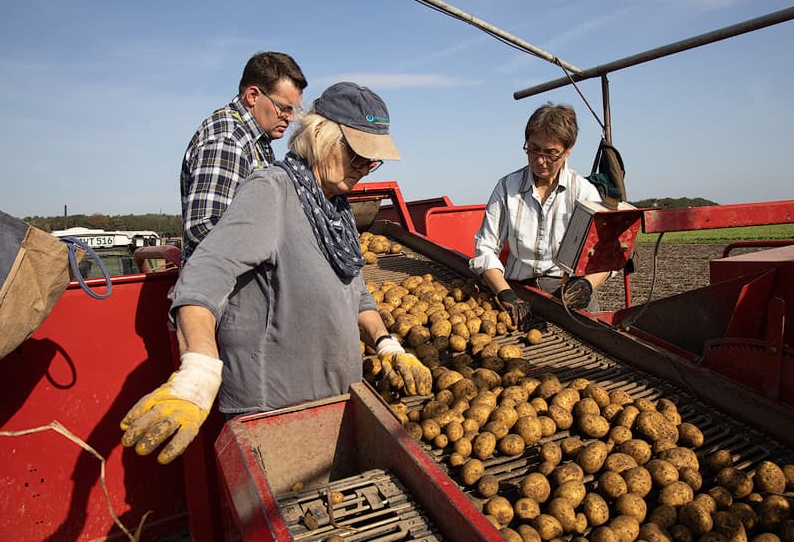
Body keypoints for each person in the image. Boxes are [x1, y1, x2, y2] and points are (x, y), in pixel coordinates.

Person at [121, 82, 431, 464]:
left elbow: (355, 290)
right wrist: (198, 370)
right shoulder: (272, 192)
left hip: (332, 402)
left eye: (371, 162)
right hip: (277, 415)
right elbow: (204, 276)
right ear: (319, 135)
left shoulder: (336, 208)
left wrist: (386, 344)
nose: (364, 169)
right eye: (357, 156)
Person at [469, 103, 612, 327]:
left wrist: (586, 286)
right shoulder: (507, 187)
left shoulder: (584, 193)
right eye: (533, 149)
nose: (539, 160)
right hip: (518, 290)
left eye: (550, 152)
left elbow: (605, 256)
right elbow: (485, 247)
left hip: (566, 294)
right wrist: (506, 294)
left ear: (567, 150)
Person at [180, 51, 308, 261]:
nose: (290, 118)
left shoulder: (255, 140)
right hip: (223, 280)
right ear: (252, 96)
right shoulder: (228, 139)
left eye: (294, 109)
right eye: (284, 108)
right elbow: (204, 227)